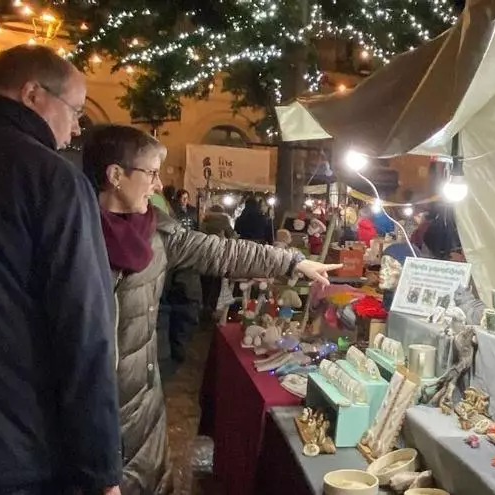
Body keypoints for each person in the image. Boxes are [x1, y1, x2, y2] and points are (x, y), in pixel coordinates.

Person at [83, 125, 341, 493]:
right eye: (151, 173)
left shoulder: (156, 234)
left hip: (144, 399)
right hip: (95, 409)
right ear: (115, 175)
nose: (158, 185)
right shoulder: (74, 238)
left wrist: (292, 262)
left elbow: (222, 251)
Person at [0, 45, 121, 494]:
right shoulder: (53, 179)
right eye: (75, 111)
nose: (76, 127)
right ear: (32, 95)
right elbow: (84, 330)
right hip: (9, 453)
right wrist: (102, 471)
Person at [199, 204, 238, 327]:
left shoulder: (205, 220)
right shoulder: (224, 220)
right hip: (219, 255)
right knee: (216, 285)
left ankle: (203, 309)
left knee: (205, 284)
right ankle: (211, 311)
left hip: (204, 254)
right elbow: (232, 235)